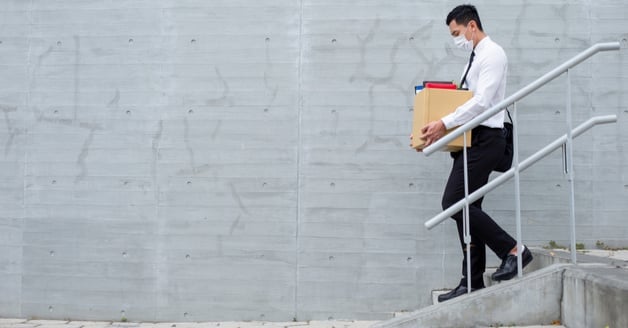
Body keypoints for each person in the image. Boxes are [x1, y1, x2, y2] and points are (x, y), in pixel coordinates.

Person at [418, 4, 533, 302]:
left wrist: (444, 122)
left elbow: (482, 103)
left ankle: (513, 250)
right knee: (469, 211)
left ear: (472, 26)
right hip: (473, 139)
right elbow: (465, 99)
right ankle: (471, 281)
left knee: (454, 203)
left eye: (457, 33)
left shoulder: (493, 54)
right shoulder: (475, 57)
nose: (456, 39)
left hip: (488, 139)